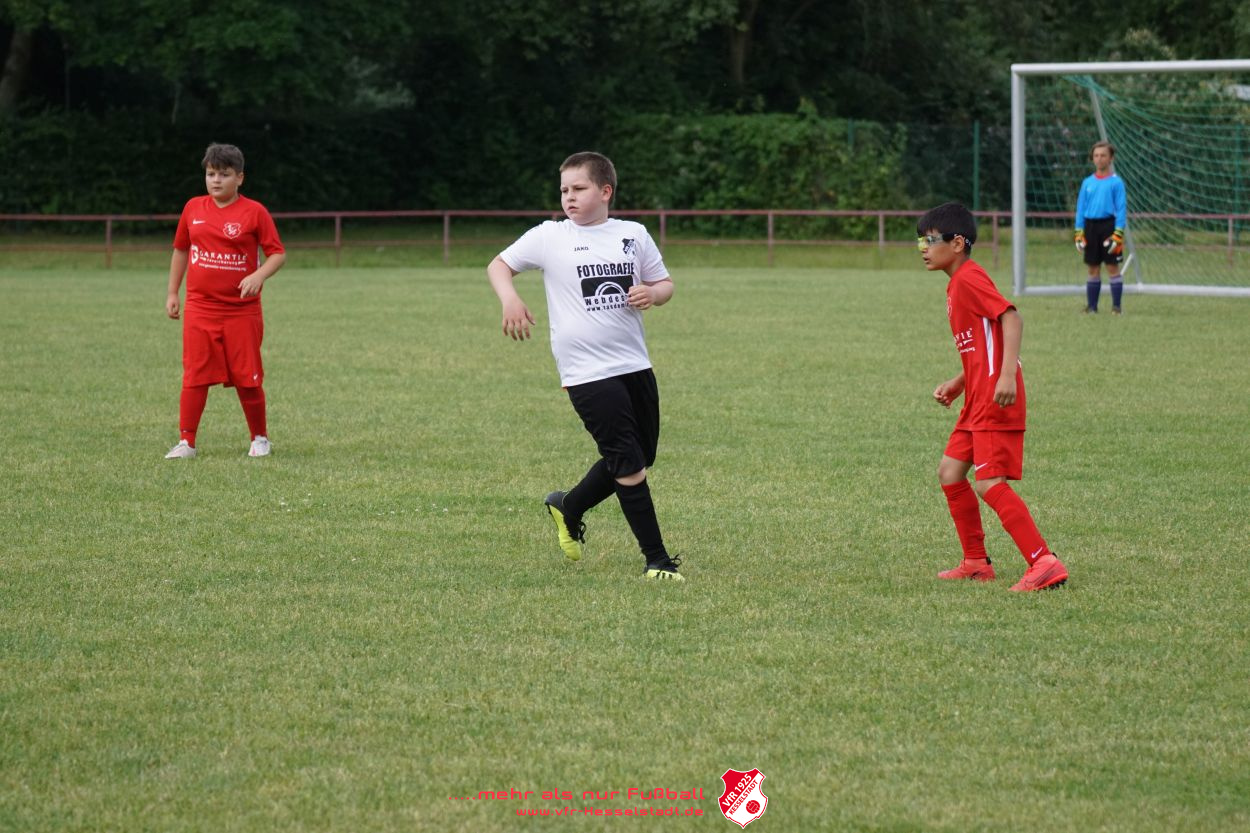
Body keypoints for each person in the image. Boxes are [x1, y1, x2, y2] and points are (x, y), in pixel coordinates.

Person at [487, 151, 684, 581]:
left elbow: (665, 283)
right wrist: (510, 298)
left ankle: (569, 506)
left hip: (634, 363)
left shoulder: (632, 234)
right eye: (564, 190)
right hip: (586, 371)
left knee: (640, 454)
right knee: (629, 463)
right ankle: (657, 561)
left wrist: (654, 294)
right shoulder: (550, 236)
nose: (569, 197)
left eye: (579, 188)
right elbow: (499, 265)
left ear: (605, 191)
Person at [918, 202, 1069, 592]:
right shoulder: (957, 284)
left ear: (956, 243)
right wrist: (959, 381)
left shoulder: (969, 278)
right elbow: (982, 345)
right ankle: (975, 562)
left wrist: (1006, 377)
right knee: (950, 472)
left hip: (994, 398)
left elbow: (1011, 318)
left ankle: (1044, 561)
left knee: (989, 483)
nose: (923, 249)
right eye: (921, 241)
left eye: (930, 241)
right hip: (976, 396)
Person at [164, 143, 286, 459]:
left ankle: (260, 438)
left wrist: (259, 276)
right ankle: (187, 442)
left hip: (241, 311)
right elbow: (181, 249)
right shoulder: (193, 208)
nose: (216, 180)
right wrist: (173, 292)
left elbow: (277, 254)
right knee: (195, 374)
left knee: (248, 376)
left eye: (224, 174)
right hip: (200, 308)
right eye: (210, 174)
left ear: (240, 178)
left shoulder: (255, 212)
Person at [1074, 140, 1127, 314]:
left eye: (1103, 155)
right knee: (1093, 268)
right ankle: (1092, 307)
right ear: (1092, 158)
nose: (1099, 158)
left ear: (1111, 158)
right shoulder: (1087, 182)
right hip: (1090, 227)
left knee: (1112, 267)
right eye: (1096, 155)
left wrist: (1118, 233)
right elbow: (1081, 208)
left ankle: (1116, 307)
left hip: (1109, 227)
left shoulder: (1116, 183)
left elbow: (1121, 209)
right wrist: (1079, 232)